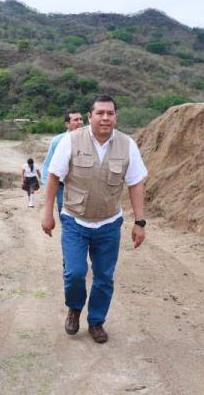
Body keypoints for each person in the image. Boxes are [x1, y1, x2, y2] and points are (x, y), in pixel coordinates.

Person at [41, 95, 147, 344]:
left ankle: (96, 321)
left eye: (110, 113)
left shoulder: (127, 145)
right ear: (90, 117)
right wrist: (47, 213)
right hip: (75, 221)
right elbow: (54, 176)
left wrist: (140, 222)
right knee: (75, 273)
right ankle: (74, 308)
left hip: (108, 223)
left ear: (116, 117)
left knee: (104, 276)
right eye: (100, 113)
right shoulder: (71, 140)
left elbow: (135, 183)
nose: (105, 118)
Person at [41, 109, 84, 216]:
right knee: (64, 213)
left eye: (81, 119)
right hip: (62, 186)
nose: (80, 122)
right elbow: (48, 164)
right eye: (76, 120)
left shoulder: (88, 140)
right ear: (67, 124)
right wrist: (46, 185)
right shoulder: (57, 141)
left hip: (82, 185)